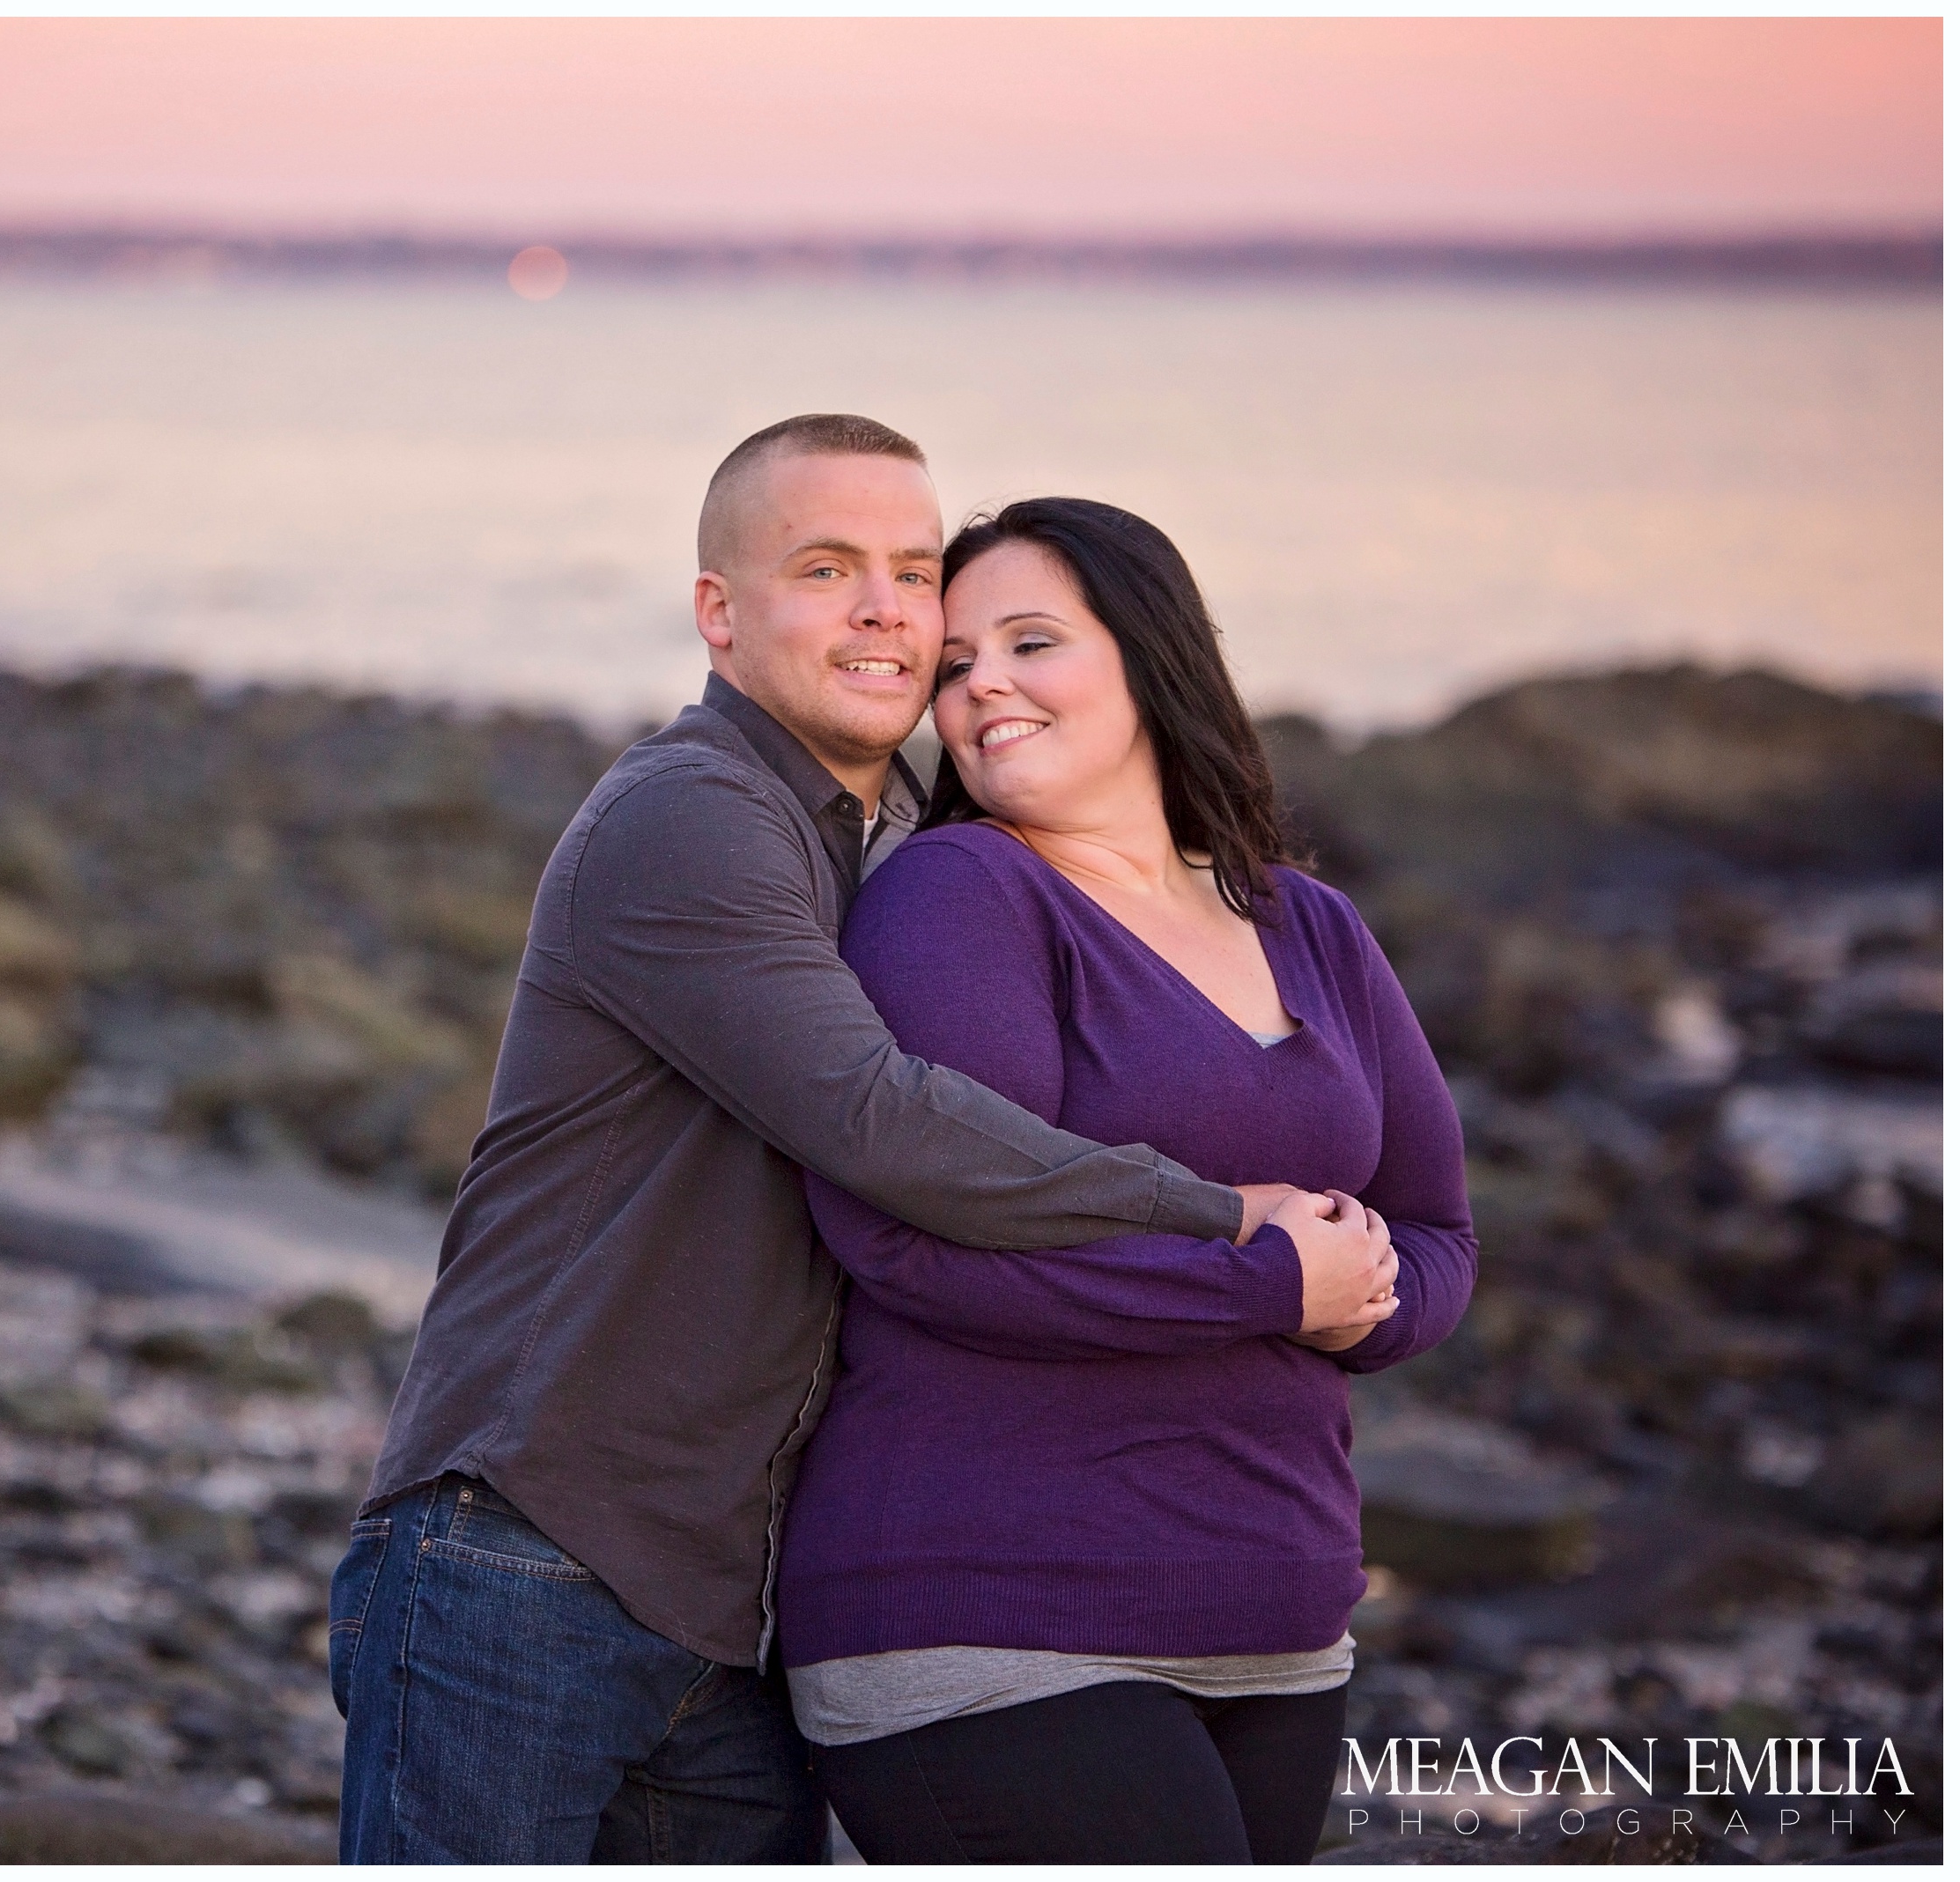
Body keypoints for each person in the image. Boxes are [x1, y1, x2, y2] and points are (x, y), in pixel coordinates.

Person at [328, 420, 1395, 1864]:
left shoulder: (888, 834)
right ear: (720, 613)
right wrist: (1222, 1214)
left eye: (911, 572)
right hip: (528, 1543)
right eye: (826, 569)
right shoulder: (691, 812)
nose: (889, 608)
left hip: (728, 1596)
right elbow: (883, 1122)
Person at [775, 496, 1476, 1864]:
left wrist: (1359, 1302)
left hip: (1280, 1616)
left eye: (1032, 642)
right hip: (990, 1607)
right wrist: (1268, 1277)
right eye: (957, 663)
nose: (985, 686)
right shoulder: (960, 894)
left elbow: (1437, 1227)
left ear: (1151, 656)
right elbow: (920, 1241)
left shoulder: (1309, 924)